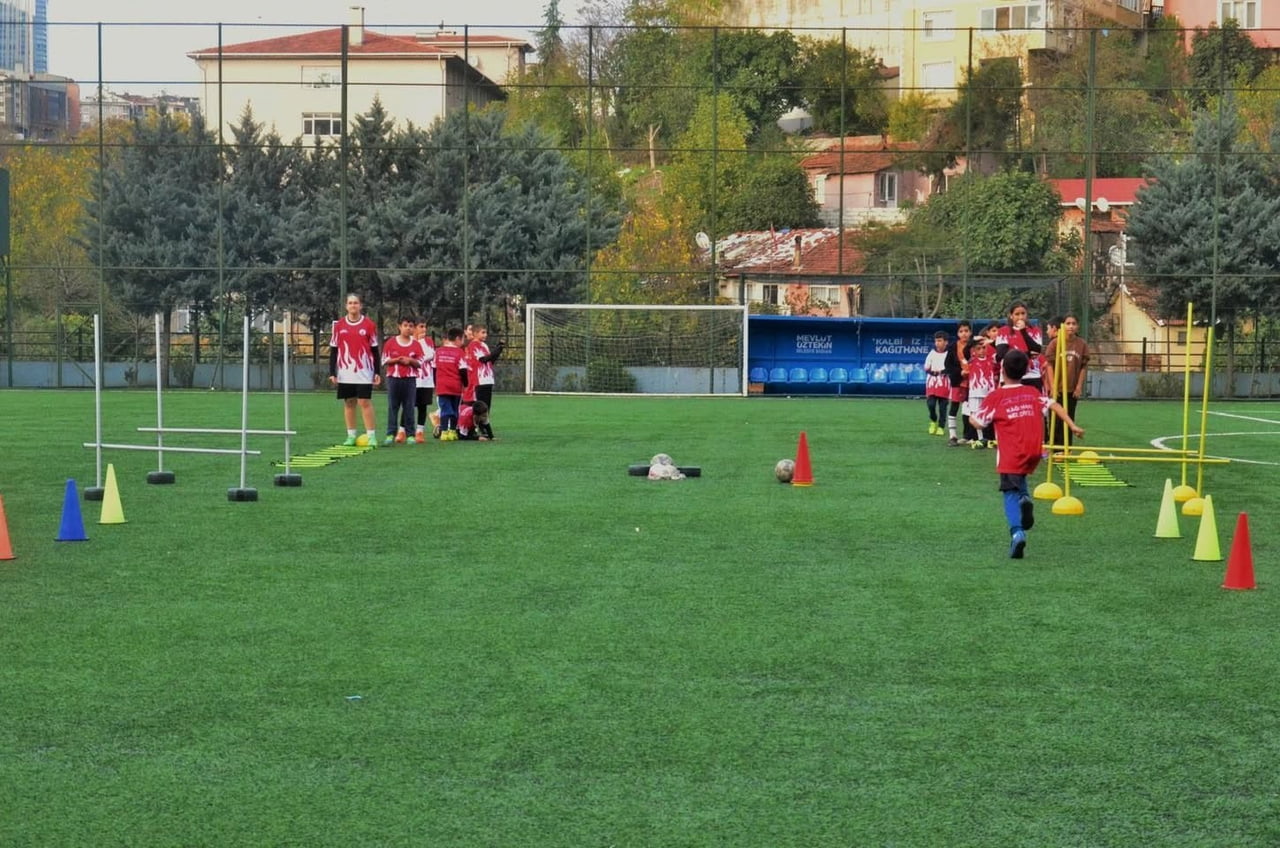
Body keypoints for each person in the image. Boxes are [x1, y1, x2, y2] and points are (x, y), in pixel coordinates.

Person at [969, 349, 1084, 559]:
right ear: (1026, 371)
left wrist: (971, 417)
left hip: (1011, 453)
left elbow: (977, 421)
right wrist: (1073, 425)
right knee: (1019, 479)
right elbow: (1054, 405)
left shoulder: (996, 396)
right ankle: (1025, 499)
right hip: (1034, 452)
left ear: (1002, 370)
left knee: (1009, 493)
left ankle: (1017, 533)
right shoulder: (1032, 393)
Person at [328, 292, 381, 447]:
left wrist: (377, 372)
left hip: (364, 372)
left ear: (360, 305)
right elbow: (333, 350)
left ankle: (371, 436)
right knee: (349, 403)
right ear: (346, 306)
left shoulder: (369, 325)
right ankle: (351, 436)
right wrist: (332, 372)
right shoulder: (339, 326)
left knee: (364, 402)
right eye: (350, 303)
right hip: (345, 373)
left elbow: (375, 350)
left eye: (356, 303)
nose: (353, 305)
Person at [1043, 314, 1090, 449]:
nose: (1071, 326)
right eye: (1068, 323)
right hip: (1057, 388)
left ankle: (1066, 448)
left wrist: (1079, 386)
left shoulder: (1081, 344)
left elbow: (1083, 367)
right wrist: (1052, 386)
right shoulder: (1055, 343)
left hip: (1071, 389)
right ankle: (1055, 448)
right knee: (1056, 419)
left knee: (1069, 418)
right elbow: (1049, 365)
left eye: (1074, 323)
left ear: (1077, 326)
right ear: (1063, 326)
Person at [381, 316, 424, 445]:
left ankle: (410, 434)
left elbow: (420, 362)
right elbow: (384, 360)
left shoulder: (416, 344)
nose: (408, 328)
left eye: (411, 326)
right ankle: (390, 434)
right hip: (393, 379)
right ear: (399, 326)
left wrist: (410, 361)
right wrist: (397, 360)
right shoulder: (390, 342)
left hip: (410, 380)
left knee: (409, 407)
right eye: (405, 325)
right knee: (393, 406)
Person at [994, 301, 1044, 391]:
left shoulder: (1035, 331)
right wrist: (1026, 354)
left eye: (1023, 313)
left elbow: (1036, 349)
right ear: (1011, 315)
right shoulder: (1003, 331)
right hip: (1010, 378)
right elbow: (1002, 353)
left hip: (1032, 376)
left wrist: (1023, 331)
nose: (1020, 317)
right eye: (1017, 314)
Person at [466, 325, 505, 435]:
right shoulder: (473, 345)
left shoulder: (484, 345)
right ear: (475, 334)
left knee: (487, 406)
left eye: (486, 332)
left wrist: (498, 350)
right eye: (483, 332)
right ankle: (476, 427)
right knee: (480, 406)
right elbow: (483, 359)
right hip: (480, 379)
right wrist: (496, 350)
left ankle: (484, 427)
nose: (485, 335)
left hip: (488, 379)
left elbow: (490, 360)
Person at [433, 327, 468, 441]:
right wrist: (466, 383)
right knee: (454, 409)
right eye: (463, 339)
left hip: (442, 386)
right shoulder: (459, 352)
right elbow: (463, 370)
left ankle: (444, 432)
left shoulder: (438, 351)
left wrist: (436, 383)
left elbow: (434, 368)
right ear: (458, 338)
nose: (463, 342)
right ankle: (452, 431)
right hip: (455, 386)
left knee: (444, 409)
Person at [966, 329, 999, 449]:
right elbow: (965, 350)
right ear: (973, 350)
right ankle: (981, 439)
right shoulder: (971, 360)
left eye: (983, 348)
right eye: (978, 348)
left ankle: (992, 439)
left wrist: (992, 342)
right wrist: (973, 340)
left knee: (991, 415)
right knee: (976, 415)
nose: (981, 351)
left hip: (989, 393)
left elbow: (1001, 355)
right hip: (975, 393)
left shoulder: (992, 359)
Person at [943, 321, 973, 445]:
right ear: (957, 333)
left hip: (972, 383)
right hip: (957, 381)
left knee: (969, 409)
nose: (964, 334)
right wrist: (959, 372)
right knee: (954, 406)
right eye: (961, 331)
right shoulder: (953, 347)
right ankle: (953, 436)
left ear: (970, 332)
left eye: (966, 331)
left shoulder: (975, 346)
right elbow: (947, 365)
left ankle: (968, 436)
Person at [412, 320, 436, 444]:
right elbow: (415, 358)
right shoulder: (410, 341)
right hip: (413, 379)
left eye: (425, 327)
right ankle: (404, 430)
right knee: (408, 406)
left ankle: (420, 431)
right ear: (414, 328)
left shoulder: (428, 342)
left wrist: (422, 342)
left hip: (426, 380)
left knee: (423, 407)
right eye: (421, 327)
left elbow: (430, 355)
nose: (424, 329)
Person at [923, 331, 950, 436]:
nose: (937, 343)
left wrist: (942, 371)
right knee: (931, 404)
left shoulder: (949, 354)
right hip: (932, 382)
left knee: (943, 407)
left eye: (940, 341)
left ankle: (941, 427)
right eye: (936, 341)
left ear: (945, 342)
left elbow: (951, 367)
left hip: (944, 382)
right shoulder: (932, 353)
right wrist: (931, 371)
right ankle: (933, 420)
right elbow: (926, 367)